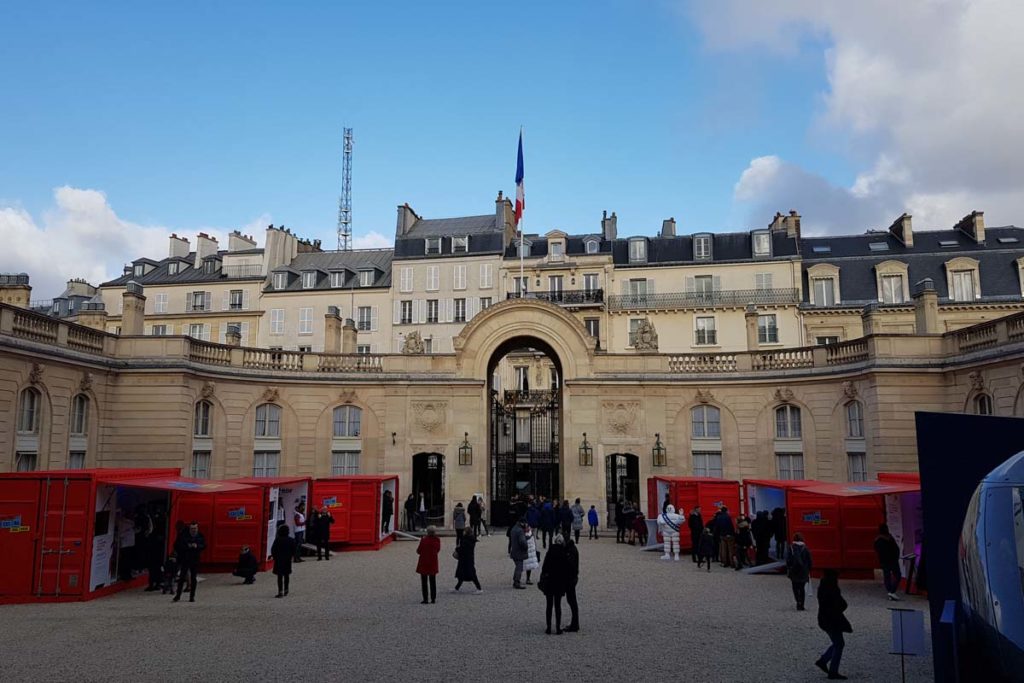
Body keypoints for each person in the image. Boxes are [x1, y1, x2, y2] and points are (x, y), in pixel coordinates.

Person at [815, 569, 853, 680]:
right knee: (839, 643)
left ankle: (824, 661)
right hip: (833, 620)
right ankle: (832, 670)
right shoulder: (832, 589)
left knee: (837, 643)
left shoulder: (822, 588)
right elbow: (842, 604)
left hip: (824, 619)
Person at [539, 534, 570, 635]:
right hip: (559, 582)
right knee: (558, 606)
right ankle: (557, 628)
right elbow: (566, 570)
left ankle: (548, 628)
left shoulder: (550, 552)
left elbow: (544, 567)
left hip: (549, 582)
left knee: (549, 606)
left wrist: (542, 579)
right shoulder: (564, 553)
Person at [173, 521, 205, 603]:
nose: (193, 530)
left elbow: (204, 545)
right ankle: (178, 595)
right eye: (192, 528)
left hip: (195, 559)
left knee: (193, 578)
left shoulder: (200, 536)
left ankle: (192, 596)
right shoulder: (184, 536)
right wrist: (187, 546)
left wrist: (197, 546)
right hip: (185, 558)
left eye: (195, 528)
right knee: (181, 578)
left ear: (197, 528)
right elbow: (177, 545)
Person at [874, 523, 902, 601]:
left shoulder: (878, 540)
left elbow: (878, 550)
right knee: (897, 575)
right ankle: (892, 591)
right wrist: (896, 557)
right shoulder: (890, 538)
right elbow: (896, 548)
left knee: (887, 576)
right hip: (892, 560)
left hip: (884, 561)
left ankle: (890, 591)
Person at [786, 532, 813, 610]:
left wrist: (789, 568)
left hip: (794, 571)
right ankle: (802, 604)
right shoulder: (805, 548)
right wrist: (808, 569)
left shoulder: (791, 548)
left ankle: (798, 601)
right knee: (802, 588)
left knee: (795, 588)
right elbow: (810, 561)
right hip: (803, 571)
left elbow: (788, 560)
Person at [416, 525, 441, 604]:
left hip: (424, 561)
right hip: (433, 561)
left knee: (424, 582)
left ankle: (425, 598)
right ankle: (433, 598)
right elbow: (438, 549)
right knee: (433, 581)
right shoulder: (437, 540)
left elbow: (418, 551)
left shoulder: (424, 540)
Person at [453, 528, 482, 593]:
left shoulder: (465, 540)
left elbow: (462, 549)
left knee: (472, 574)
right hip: (468, 558)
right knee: (462, 573)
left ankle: (479, 588)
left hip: (466, 559)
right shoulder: (471, 539)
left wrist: (457, 549)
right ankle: (457, 588)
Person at [271, 524, 296, 598]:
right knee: (286, 575)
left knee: (279, 576)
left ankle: (280, 591)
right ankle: (286, 589)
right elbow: (294, 550)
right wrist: (291, 556)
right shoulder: (291, 540)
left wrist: (275, 557)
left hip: (279, 559)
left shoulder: (277, 540)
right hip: (287, 559)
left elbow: (273, 550)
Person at [564, 536, 580, 633]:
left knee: (572, 601)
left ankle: (575, 624)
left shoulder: (570, 551)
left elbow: (570, 565)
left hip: (570, 579)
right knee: (572, 601)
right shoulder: (572, 549)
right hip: (572, 578)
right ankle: (575, 623)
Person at [508, 517, 529, 589]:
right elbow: (522, 542)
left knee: (518, 567)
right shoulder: (520, 531)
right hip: (519, 552)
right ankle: (516, 582)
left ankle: (515, 581)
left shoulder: (514, 529)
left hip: (514, 551)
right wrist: (526, 546)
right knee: (519, 568)